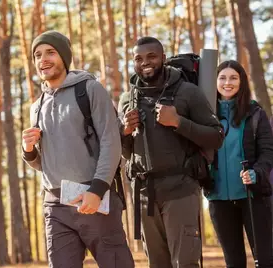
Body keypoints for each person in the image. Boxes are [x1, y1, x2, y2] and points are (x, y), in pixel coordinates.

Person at [22, 30, 134, 268]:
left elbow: (110, 141)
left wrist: (97, 189)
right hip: (55, 204)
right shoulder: (36, 107)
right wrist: (28, 150)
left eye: (50, 52)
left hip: (93, 197)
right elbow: (45, 163)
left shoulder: (90, 89)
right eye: (37, 55)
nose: (43, 59)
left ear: (64, 55)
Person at [118, 36, 224, 268]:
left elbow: (216, 137)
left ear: (164, 59)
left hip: (181, 189)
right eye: (138, 58)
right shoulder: (127, 99)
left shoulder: (187, 92)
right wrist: (124, 131)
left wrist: (178, 122)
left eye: (152, 56)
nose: (145, 62)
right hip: (145, 194)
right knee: (157, 264)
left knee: (185, 263)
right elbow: (126, 153)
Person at [207, 60, 273, 267]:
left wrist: (257, 172)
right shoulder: (207, 115)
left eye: (233, 78)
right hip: (218, 198)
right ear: (214, 82)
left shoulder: (255, 114)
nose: (228, 82)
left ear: (242, 81)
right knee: (233, 261)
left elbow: (267, 152)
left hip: (252, 196)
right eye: (222, 78)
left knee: (265, 260)